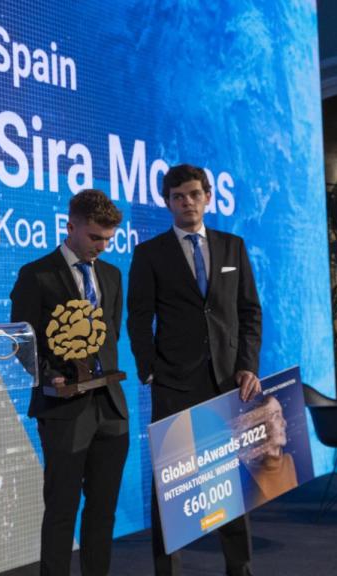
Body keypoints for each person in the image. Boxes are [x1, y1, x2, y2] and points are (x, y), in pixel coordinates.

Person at [127, 163, 262, 576]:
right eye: (178, 197)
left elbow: (249, 312)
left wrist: (247, 367)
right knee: (171, 486)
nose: (187, 202)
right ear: (167, 203)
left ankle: (239, 570)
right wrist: (149, 369)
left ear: (208, 196)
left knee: (231, 482)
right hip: (173, 382)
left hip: (227, 382)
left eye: (193, 194)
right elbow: (138, 317)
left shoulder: (232, 246)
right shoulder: (149, 253)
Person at [11, 189, 129, 576]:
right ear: (71, 226)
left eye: (108, 239)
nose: (101, 246)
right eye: (95, 237)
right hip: (64, 409)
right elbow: (22, 343)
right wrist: (50, 376)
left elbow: (112, 335)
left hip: (111, 408)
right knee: (62, 510)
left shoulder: (111, 275)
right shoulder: (37, 275)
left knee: (103, 512)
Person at [237, 395, 298, 506]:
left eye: (282, 415)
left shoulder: (288, 461)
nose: (284, 423)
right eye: (276, 416)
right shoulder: (254, 480)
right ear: (262, 426)